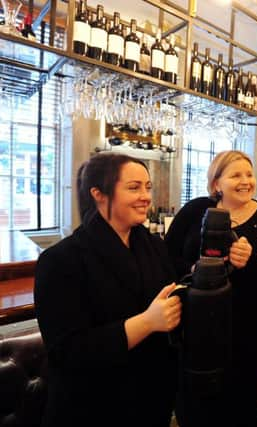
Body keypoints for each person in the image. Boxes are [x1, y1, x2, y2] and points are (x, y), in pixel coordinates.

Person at [34, 153, 182, 427]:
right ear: (98, 193)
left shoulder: (154, 246)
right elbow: (68, 352)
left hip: (151, 400)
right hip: (93, 407)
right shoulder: (61, 261)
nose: (146, 196)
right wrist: (147, 322)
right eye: (134, 187)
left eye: (148, 187)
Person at [164, 150, 257, 426]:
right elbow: (165, 259)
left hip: (251, 335)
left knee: (242, 407)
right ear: (216, 183)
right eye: (235, 175)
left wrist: (251, 261)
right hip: (197, 330)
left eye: (249, 174)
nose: (245, 181)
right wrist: (194, 270)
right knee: (196, 407)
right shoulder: (195, 211)